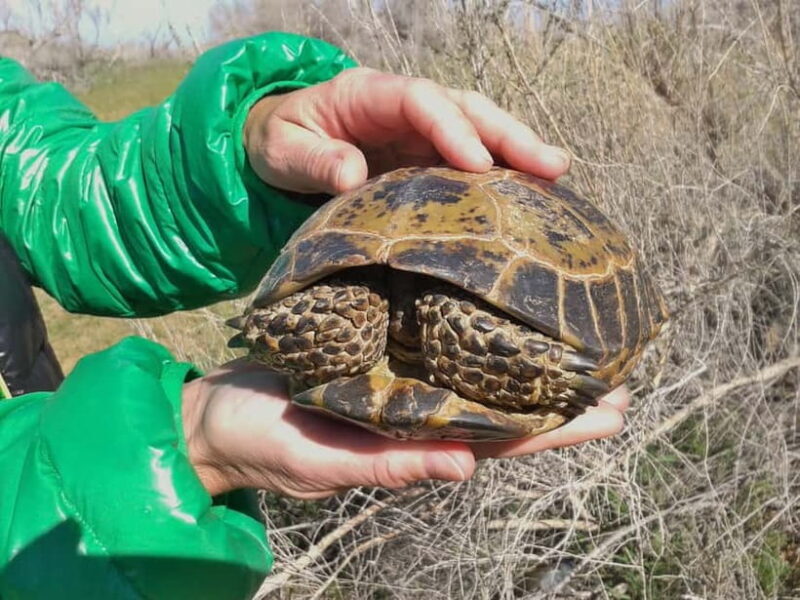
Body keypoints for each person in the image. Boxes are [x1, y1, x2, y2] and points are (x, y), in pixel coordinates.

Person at [0, 32, 629, 599]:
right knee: (379, 319)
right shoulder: (355, 317)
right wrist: (176, 443)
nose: (415, 315)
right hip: (55, 497)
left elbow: (40, 174)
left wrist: (251, 155)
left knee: (452, 317)